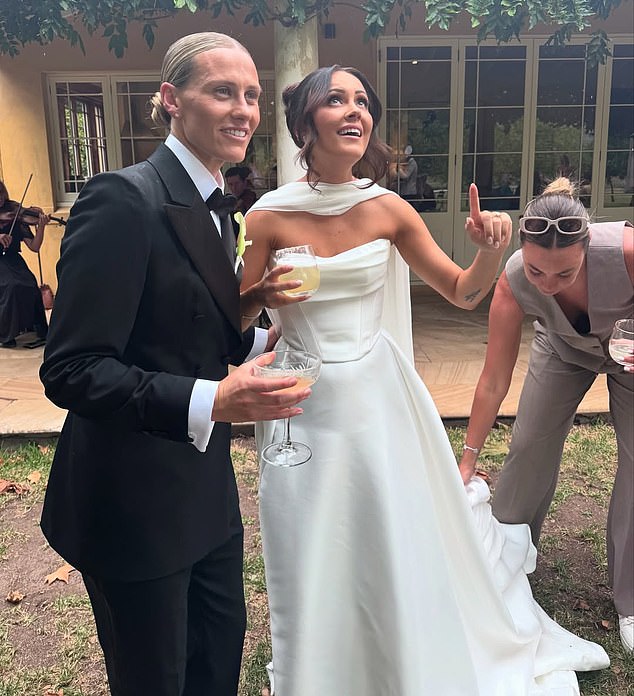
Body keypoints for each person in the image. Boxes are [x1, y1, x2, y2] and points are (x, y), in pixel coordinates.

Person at [240, 66, 609, 695]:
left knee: (383, 530)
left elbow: (463, 291)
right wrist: (260, 297)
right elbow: (235, 311)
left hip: (376, 393)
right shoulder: (268, 214)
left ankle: (394, 654)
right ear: (306, 122)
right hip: (299, 395)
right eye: (336, 100)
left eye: (362, 102)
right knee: (306, 533)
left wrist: (490, 249)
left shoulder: (390, 209)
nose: (355, 112)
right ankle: (317, 669)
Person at [39, 32, 312, 696]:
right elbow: (73, 368)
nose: (244, 109)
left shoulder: (219, 205)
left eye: (251, 94)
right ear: (171, 100)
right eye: (222, 91)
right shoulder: (122, 201)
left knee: (215, 669)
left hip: (206, 498)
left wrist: (273, 332)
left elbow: (194, 335)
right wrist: (212, 401)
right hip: (131, 506)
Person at [459, 178, 634, 654]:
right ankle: (506, 566)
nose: (549, 284)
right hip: (563, 349)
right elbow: (494, 380)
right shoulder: (513, 281)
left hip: (630, 351)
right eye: (538, 272)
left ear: (587, 245)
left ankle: (630, 600)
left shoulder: (626, 251)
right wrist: (469, 457)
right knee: (528, 449)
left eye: (565, 274)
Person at [0, 180, 49, 348]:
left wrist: (40, 228)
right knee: (11, 286)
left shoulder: (17, 215)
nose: (0, 199)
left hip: (12, 258)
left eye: (1, 194)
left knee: (30, 284)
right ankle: (6, 335)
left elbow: (34, 247)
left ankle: (37, 329)